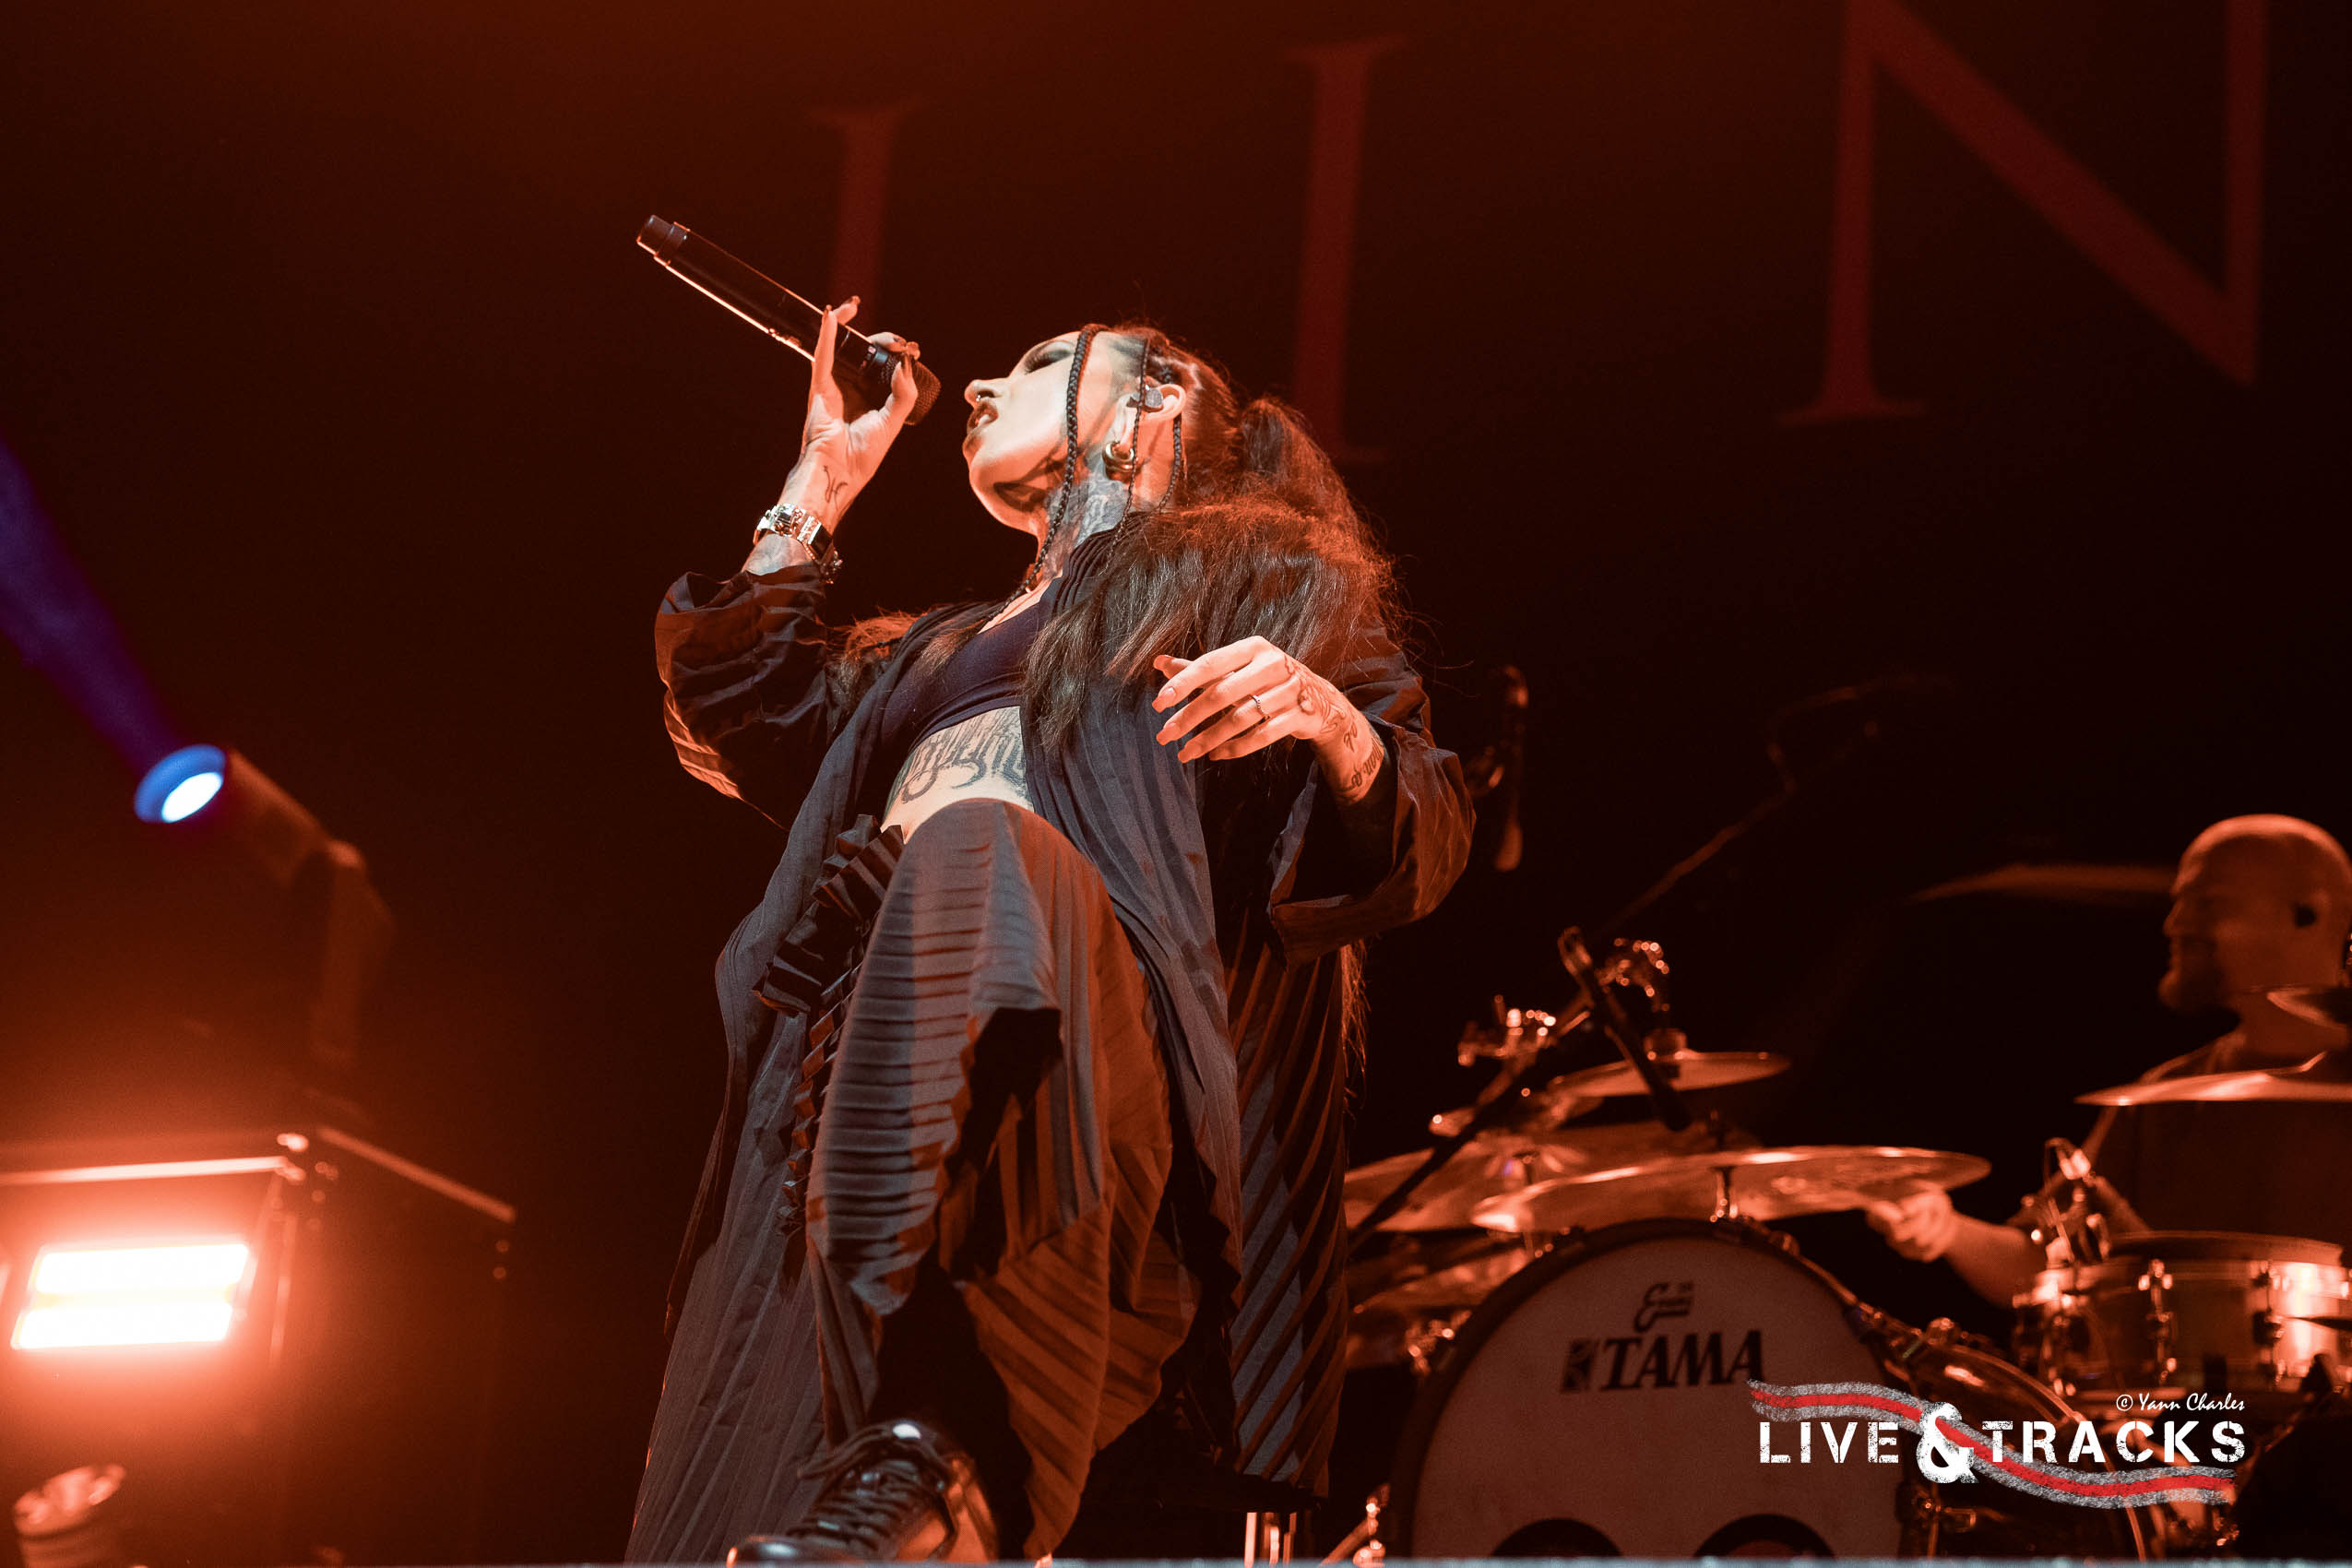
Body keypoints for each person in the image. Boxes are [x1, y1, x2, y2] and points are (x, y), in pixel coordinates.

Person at [626, 303, 1471, 1562]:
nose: (975, 385)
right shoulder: (928, 651)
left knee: (980, 846)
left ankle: (947, 1464)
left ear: (1159, 396)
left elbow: (1420, 831)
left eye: (1035, 363)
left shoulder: (1263, 582)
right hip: (853, 1088)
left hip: (1082, 1092)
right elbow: (736, 702)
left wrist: (1329, 720)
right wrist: (820, 483)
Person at [1868, 814, 2352, 1304]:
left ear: (2307, 914)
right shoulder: (2166, 1096)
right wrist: (1947, 1228)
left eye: (2208, 903)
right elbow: (2047, 1264)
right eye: (2178, 903)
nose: (2174, 924)